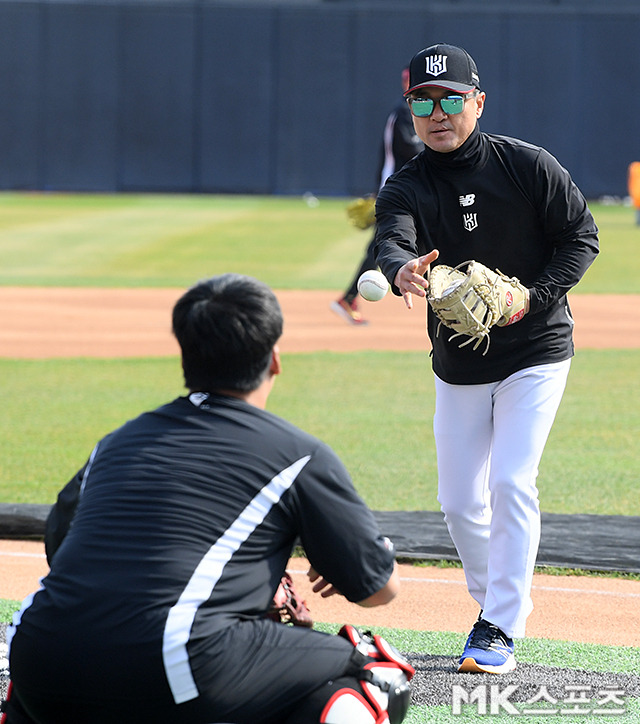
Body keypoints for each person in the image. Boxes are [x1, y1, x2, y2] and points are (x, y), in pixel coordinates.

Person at [4, 274, 413, 724]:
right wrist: (367, 554)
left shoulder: (117, 442)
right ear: (275, 360)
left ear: (186, 357)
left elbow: (61, 547)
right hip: (174, 665)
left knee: (64, 671)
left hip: (39, 657)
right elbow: (379, 590)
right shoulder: (298, 455)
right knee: (377, 673)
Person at [374, 44, 599, 674]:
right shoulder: (408, 186)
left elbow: (581, 236)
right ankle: (495, 604)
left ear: (477, 100)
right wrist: (401, 271)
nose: (437, 112)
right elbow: (391, 239)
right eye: (423, 101)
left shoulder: (526, 166)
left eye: (450, 99)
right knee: (458, 502)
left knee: (510, 481)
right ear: (411, 109)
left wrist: (533, 298)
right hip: (461, 362)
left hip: (537, 348)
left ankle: (498, 623)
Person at [332, 66, 424, 325]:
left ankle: (348, 297)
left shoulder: (404, 110)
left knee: (382, 244)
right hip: (397, 190)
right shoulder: (405, 112)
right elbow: (408, 149)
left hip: (394, 187)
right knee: (381, 245)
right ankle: (348, 297)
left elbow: (388, 155)